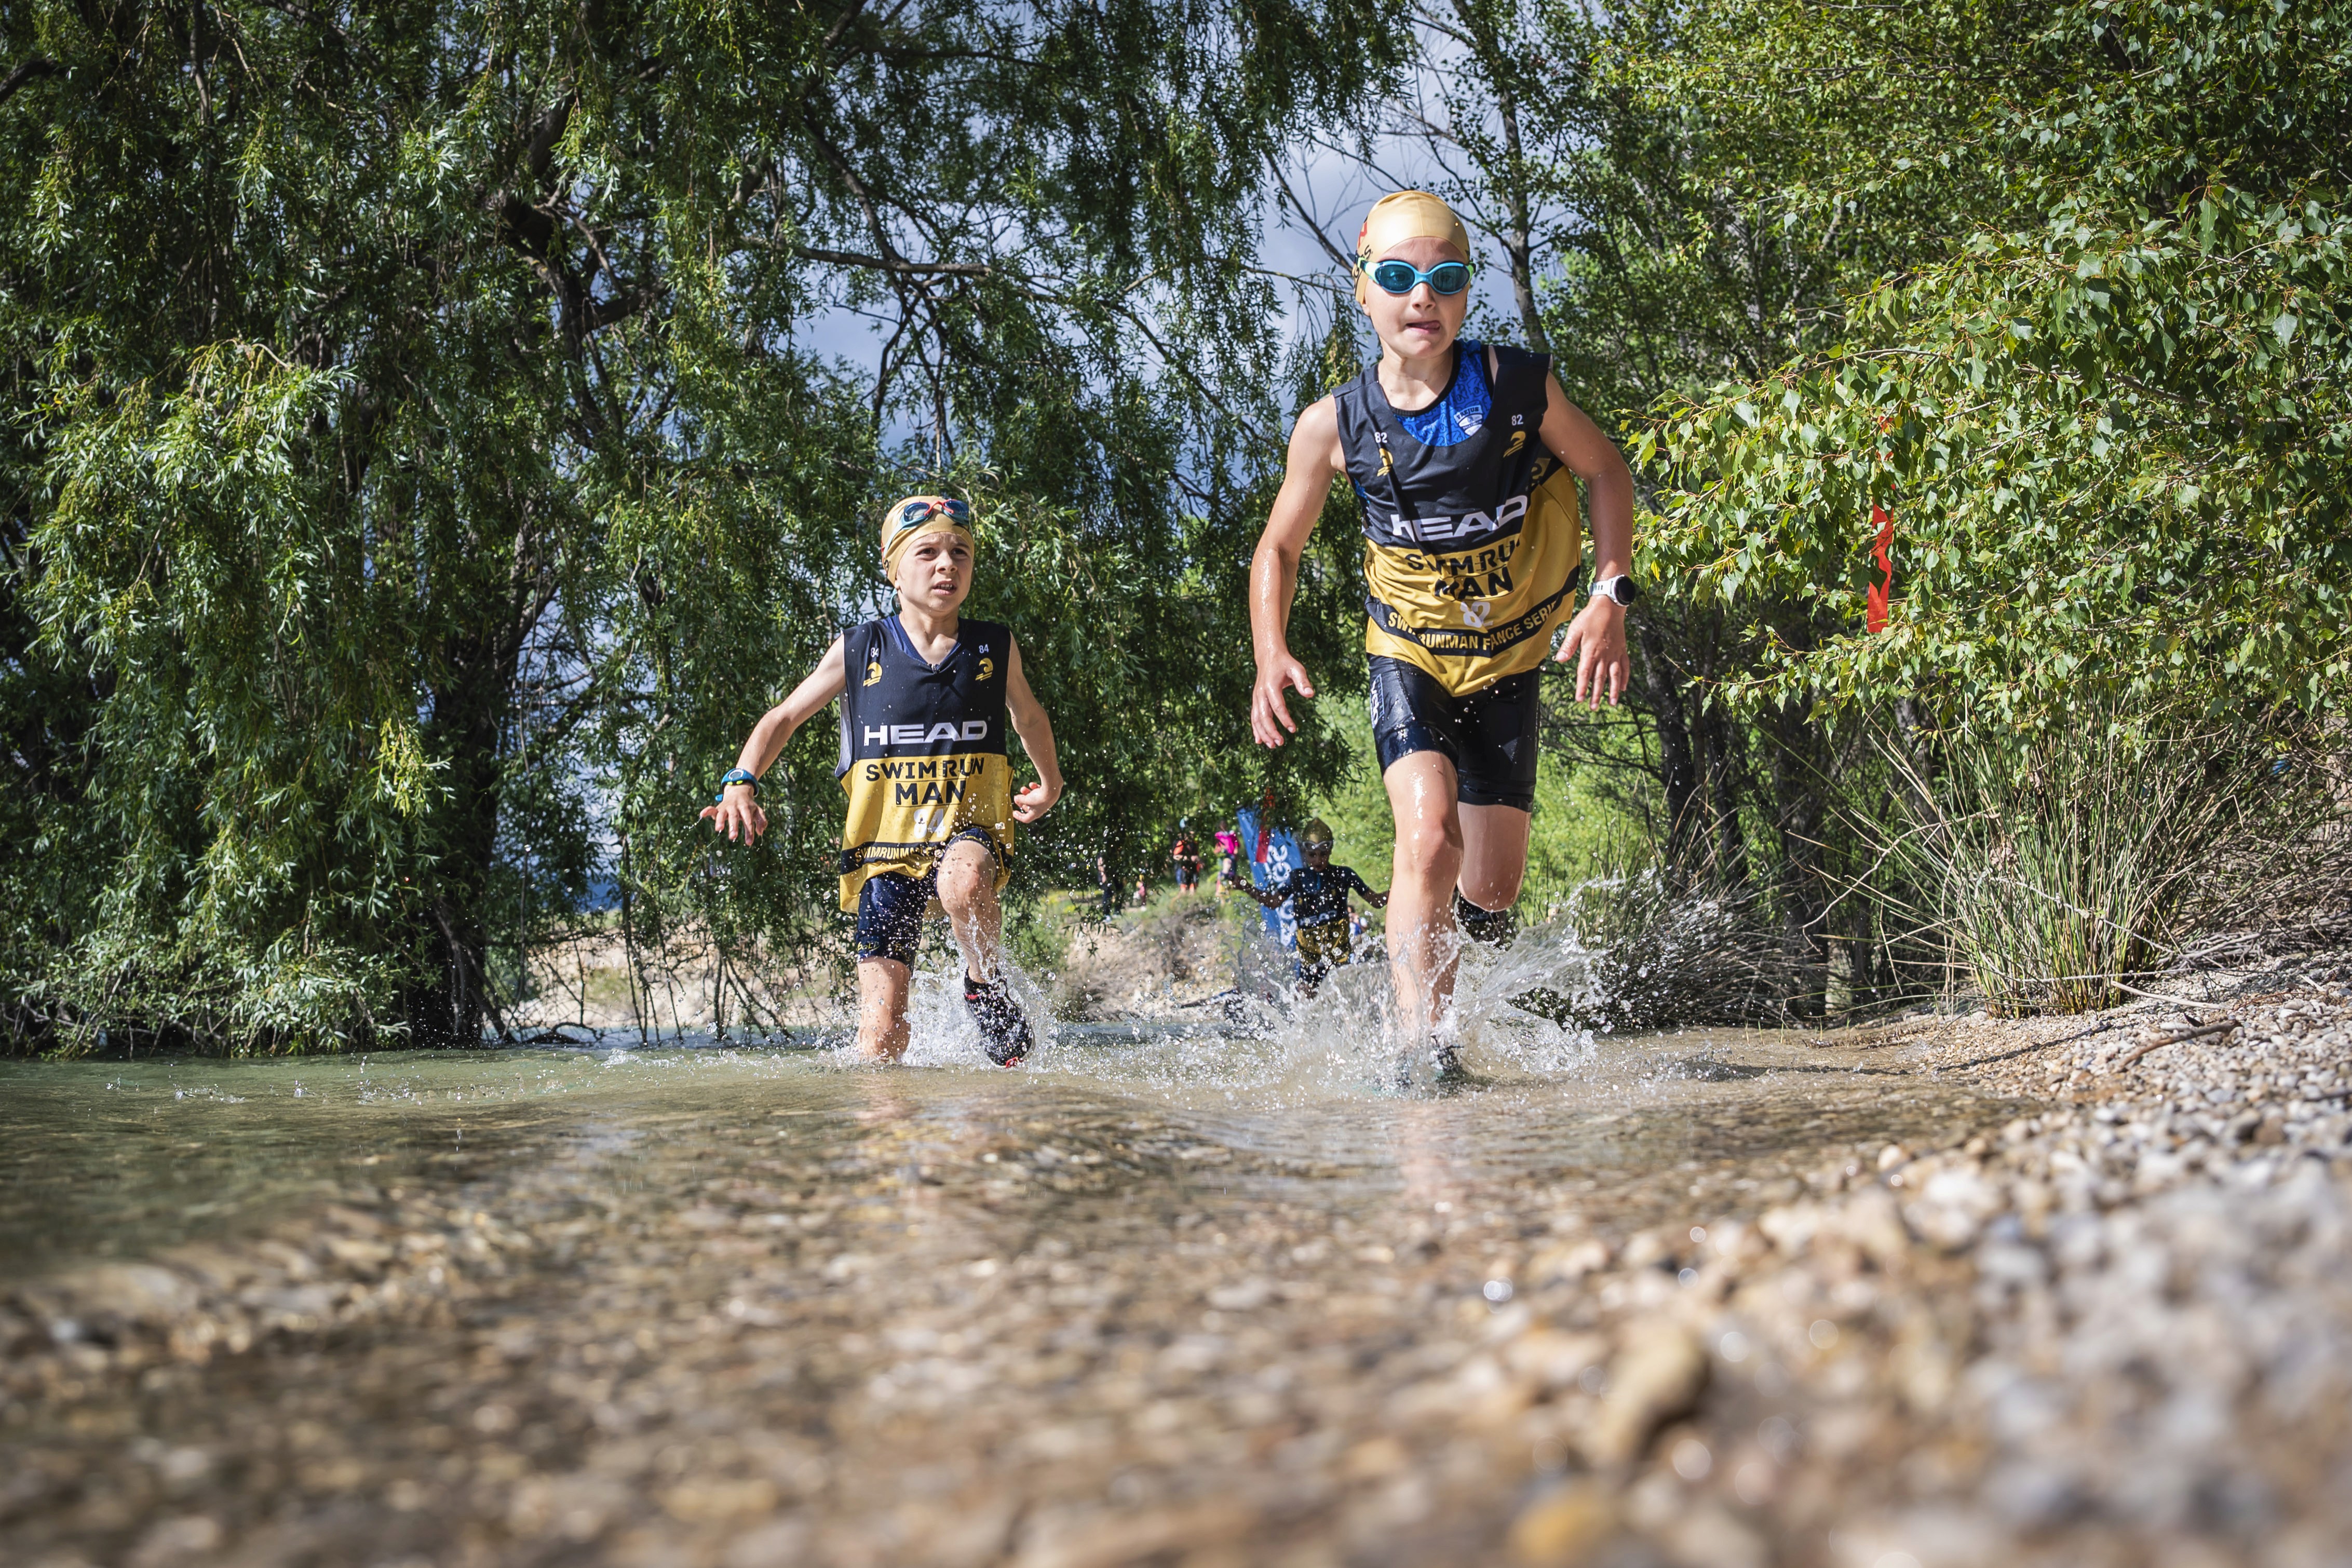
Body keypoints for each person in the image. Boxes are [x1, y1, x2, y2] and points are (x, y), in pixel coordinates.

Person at [1247, 190, 1635, 1076]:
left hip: (1510, 658)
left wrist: (1611, 596)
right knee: (1426, 838)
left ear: (1465, 296)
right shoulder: (1332, 425)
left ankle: (1440, 973)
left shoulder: (1516, 386)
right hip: (1411, 656)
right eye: (1398, 277)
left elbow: (1605, 468)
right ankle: (1422, 1044)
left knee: (1490, 893)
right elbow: (1278, 547)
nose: (1421, 296)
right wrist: (1271, 651)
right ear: (1363, 291)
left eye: (1444, 278)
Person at [701, 494, 1064, 1066]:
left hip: (968, 828)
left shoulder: (994, 645)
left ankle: (983, 983)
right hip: (883, 853)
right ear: (893, 569)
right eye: (928, 552)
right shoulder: (859, 648)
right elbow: (784, 717)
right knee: (881, 1033)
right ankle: (886, 1140)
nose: (947, 564)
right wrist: (741, 779)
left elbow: (1029, 716)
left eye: (961, 552)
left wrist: (1050, 783)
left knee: (964, 883)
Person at [1237, 818, 1388, 997]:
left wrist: (1406, 887)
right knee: (1308, 1000)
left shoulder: (1343, 874)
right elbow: (1273, 902)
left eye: (1323, 854)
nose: (1318, 860)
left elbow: (1376, 901)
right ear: (1305, 852)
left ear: (1330, 850)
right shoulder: (1297, 877)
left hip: (1338, 957)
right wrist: (1247, 887)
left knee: (1344, 998)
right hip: (1310, 959)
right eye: (1312, 855)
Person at [1212, 827, 1242, 897]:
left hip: (1231, 856)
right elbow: (1216, 849)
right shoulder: (1219, 837)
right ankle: (1219, 891)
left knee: (1231, 874)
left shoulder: (1231, 835)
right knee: (1225, 872)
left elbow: (1236, 844)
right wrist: (1220, 850)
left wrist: (1236, 850)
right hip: (1225, 857)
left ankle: (1228, 891)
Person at [1171, 823, 1201, 893]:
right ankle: (1174, 903)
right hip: (1183, 869)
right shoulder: (1182, 843)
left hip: (1193, 868)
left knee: (1193, 889)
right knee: (1184, 891)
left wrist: (1199, 860)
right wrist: (1186, 858)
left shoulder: (1194, 844)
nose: (1193, 836)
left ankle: (1192, 903)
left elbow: (1196, 855)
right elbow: (1175, 856)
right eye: (1191, 835)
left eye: (1194, 835)